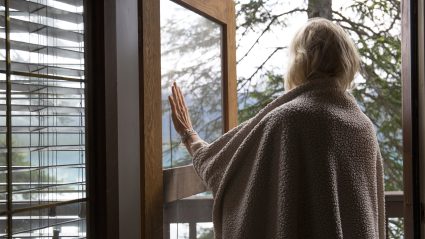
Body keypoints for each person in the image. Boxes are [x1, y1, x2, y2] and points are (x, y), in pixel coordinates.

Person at [168, 17, 385, 239]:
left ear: (300, 60)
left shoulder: (289, 120)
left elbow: (225, 169)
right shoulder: (363, 127)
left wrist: (189, 135)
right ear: (346, 60)